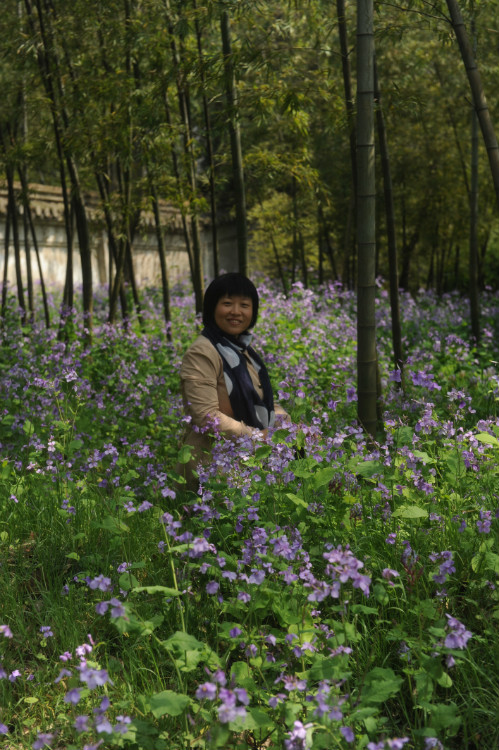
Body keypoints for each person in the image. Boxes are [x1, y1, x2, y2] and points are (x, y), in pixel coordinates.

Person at [178, 273, 288, 489]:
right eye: (227, 303)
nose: (236, 312)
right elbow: (207, 416)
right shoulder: (203, 351)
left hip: (249, 463)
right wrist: (258, 437)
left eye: (244, 305)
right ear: (211, 308)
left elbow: (262, 401)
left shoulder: (244, 351)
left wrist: (288, 425)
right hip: (212, 470)